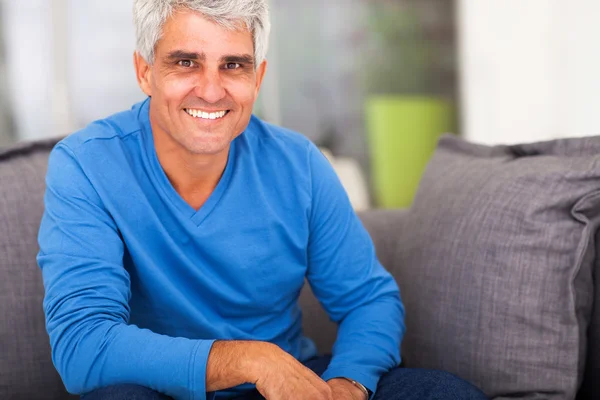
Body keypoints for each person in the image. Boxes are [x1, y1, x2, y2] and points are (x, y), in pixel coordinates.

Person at [37, 1, 488, 399]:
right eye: (186, 62)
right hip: (159, 388)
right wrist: (252, 361)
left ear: (259, 77)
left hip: (286, 387)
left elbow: (368, 300)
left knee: (447, 392)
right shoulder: (85, 165)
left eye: (234, 65)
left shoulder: (299, 164)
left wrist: (348, 385)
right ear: (145, 72)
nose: (211, 90)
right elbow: (83, 344)